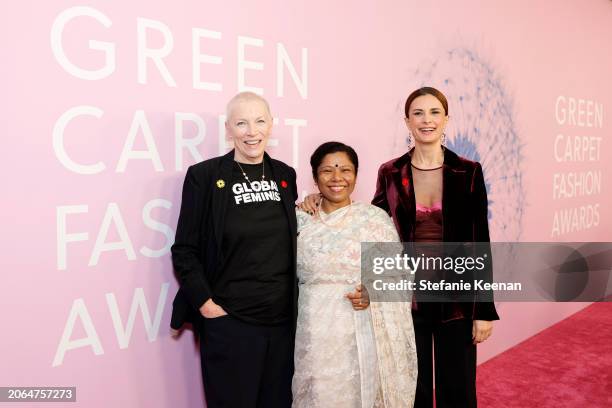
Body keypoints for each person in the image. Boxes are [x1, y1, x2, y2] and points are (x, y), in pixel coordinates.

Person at [301, 87, 500, 408]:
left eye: (434, 112)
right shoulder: (391, 172)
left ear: (446, 119)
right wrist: (320, 199)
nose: (427, 120)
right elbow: (371, 223)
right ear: (407, 121)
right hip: (405, 301)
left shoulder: (469, 171)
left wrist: (483, 310)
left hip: (456, 299)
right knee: (410, 388)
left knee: (458, 388)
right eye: (418, 113)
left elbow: (480, 241)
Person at [169, 92, 298, 408]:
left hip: (282, 323)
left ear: (271, 125)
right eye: (241, 123)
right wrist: (206, 305)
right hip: (231, 321)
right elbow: (184, 248)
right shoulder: (205, 176)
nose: (251, 132)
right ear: (229, 129)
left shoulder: (285, 175)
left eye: (259, 121)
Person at [292, 142, 417, 408]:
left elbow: (400, 276)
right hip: (313, 329)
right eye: (327, 171)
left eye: (345, 170)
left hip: (363, 327)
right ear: (315, 177)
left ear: (356, 176)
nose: (337, 178)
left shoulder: (374, 219)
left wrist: (374, 294)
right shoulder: (300, 220)